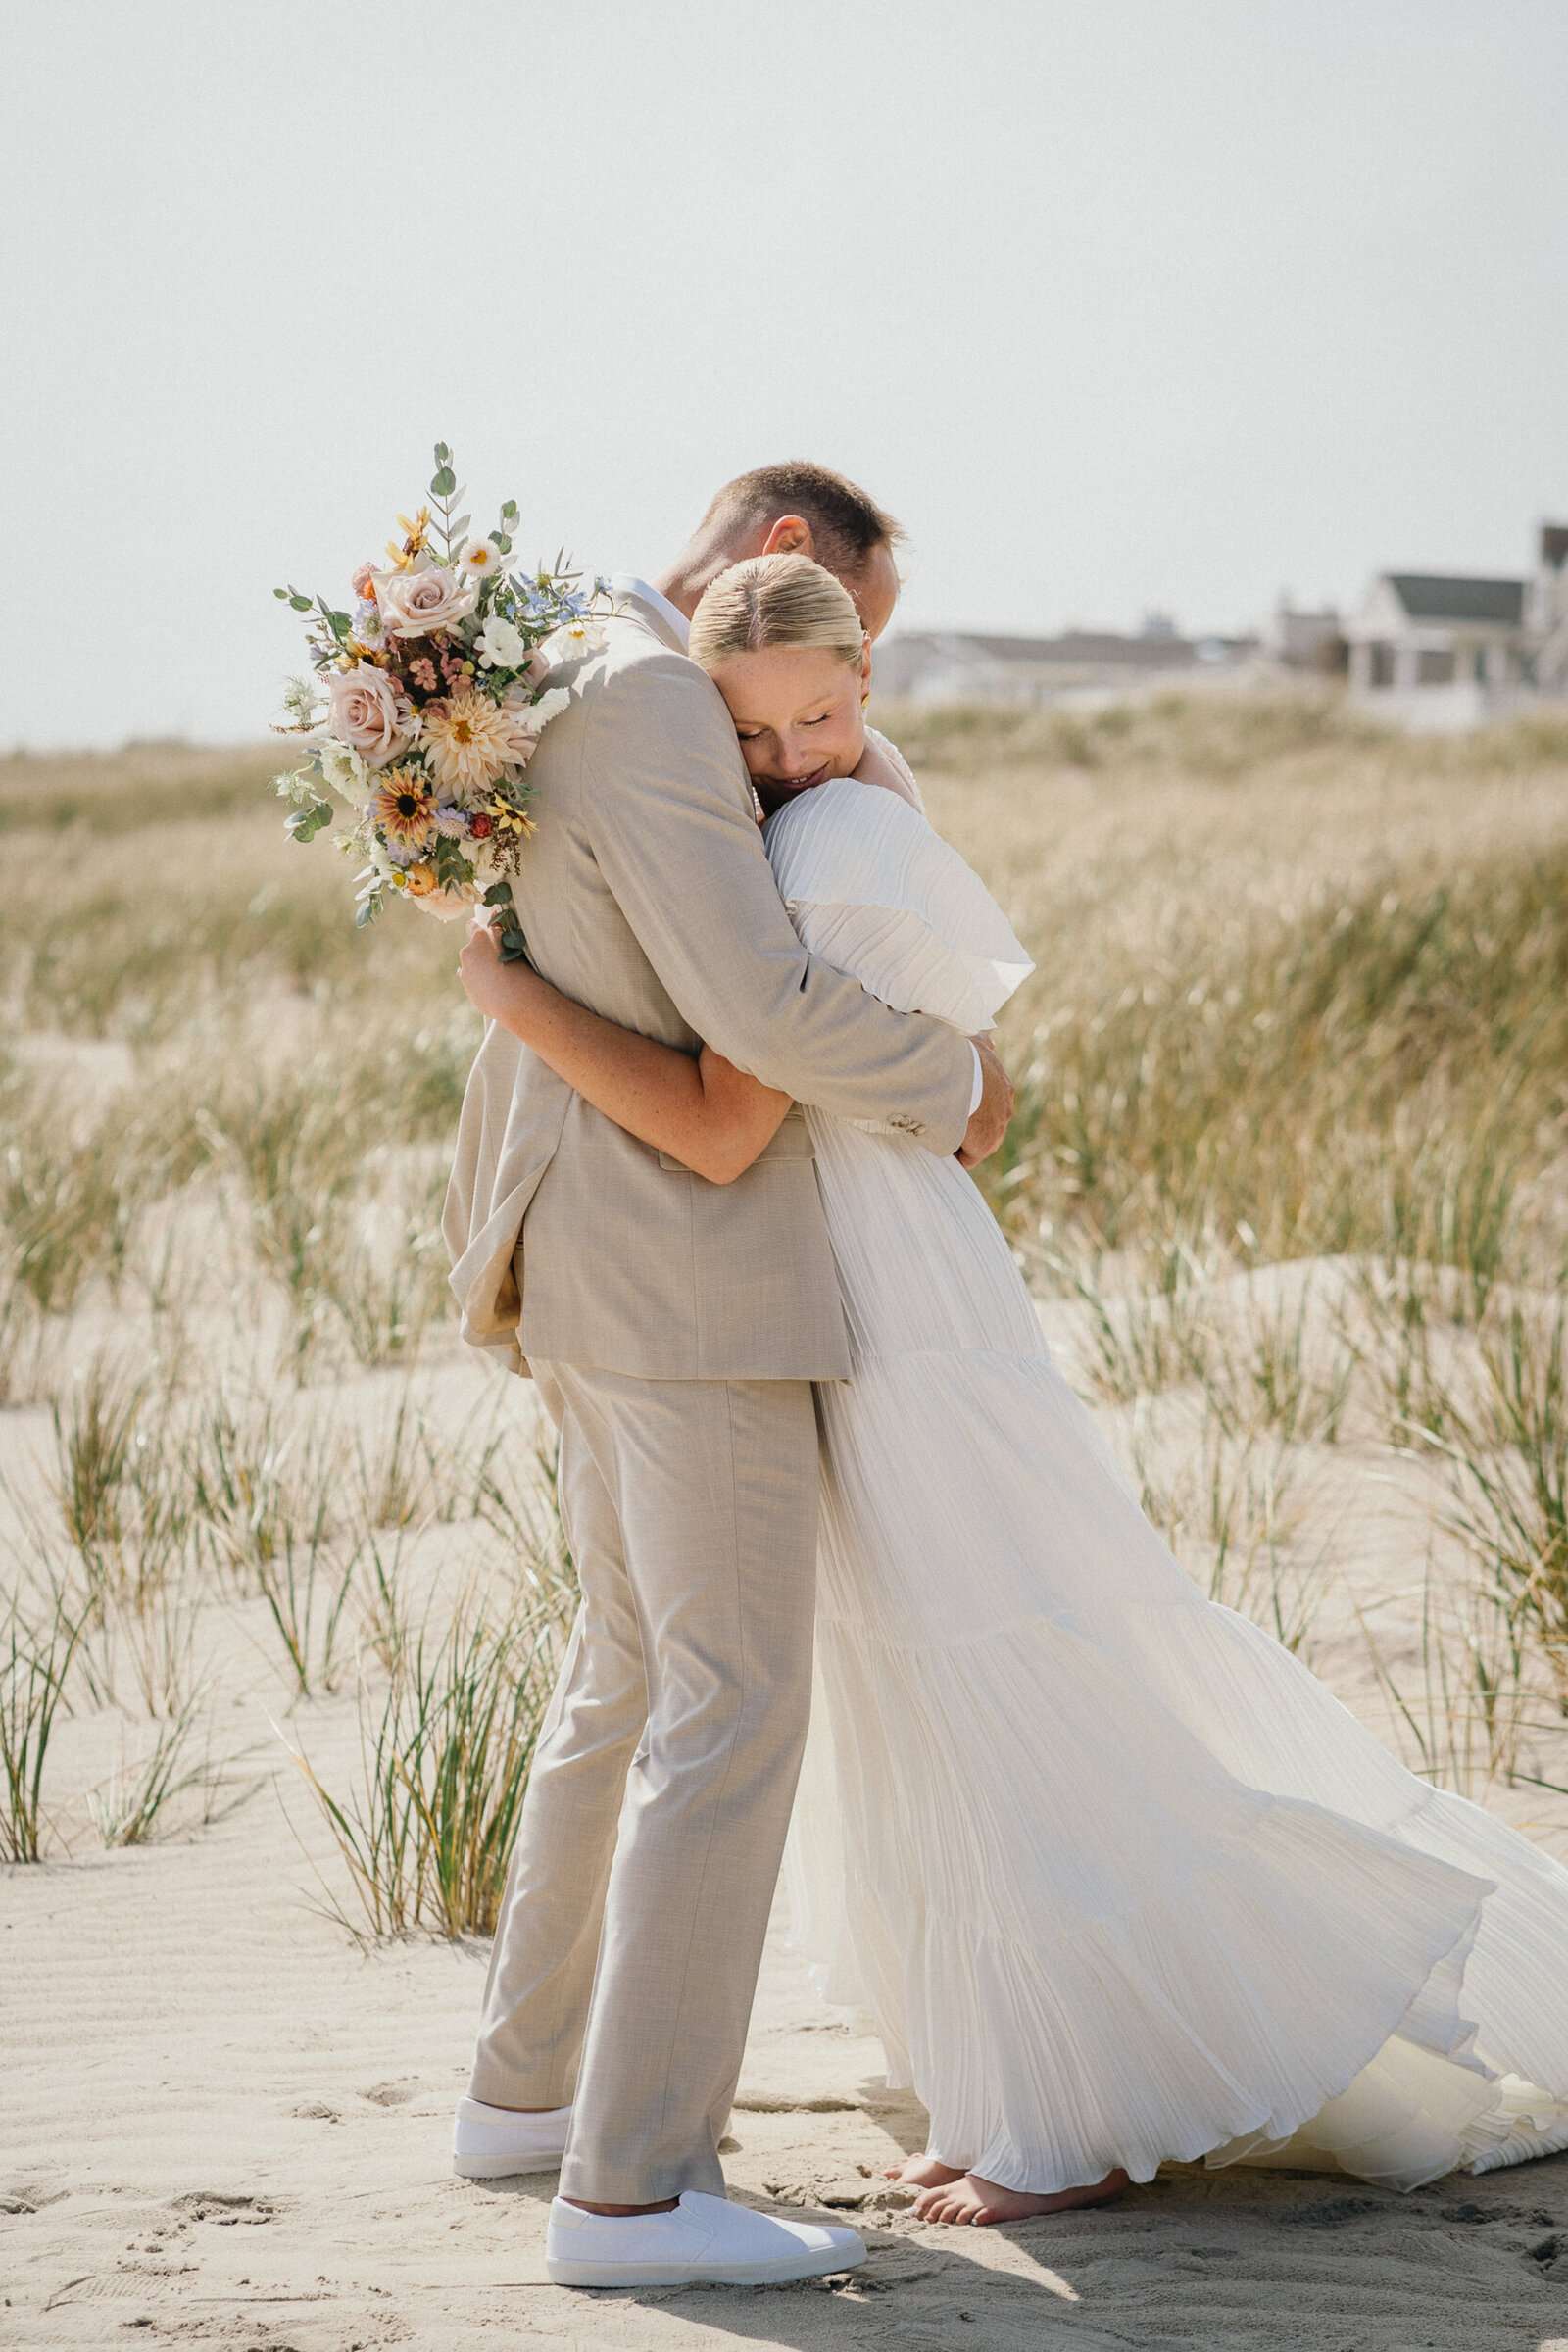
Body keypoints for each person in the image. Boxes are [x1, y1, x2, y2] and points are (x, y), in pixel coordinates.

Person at [457, 550, 1568, 2233]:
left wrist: (515, 993)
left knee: (1002, 1643)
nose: (789, 757)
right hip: (836, 1278)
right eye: (754, 734)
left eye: (819, 716)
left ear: (870, 678)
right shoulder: (776, 819)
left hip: (895, 1296)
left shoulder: (836, 835)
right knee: (931, 1679)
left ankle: (1083, 2108)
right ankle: (1026, 2085)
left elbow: (737, 1114)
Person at [441, 466, 1013, 2290]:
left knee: (624, 1675)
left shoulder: (563, 661)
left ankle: (528, 2096)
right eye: (851, 647)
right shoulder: (653, 701)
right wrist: (961, 1084)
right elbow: (757, 1008)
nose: (817, 742)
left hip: (589, 1251)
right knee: (732, 1700)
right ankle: (633, 2191)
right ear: (781, 554)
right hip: (682, 1271)